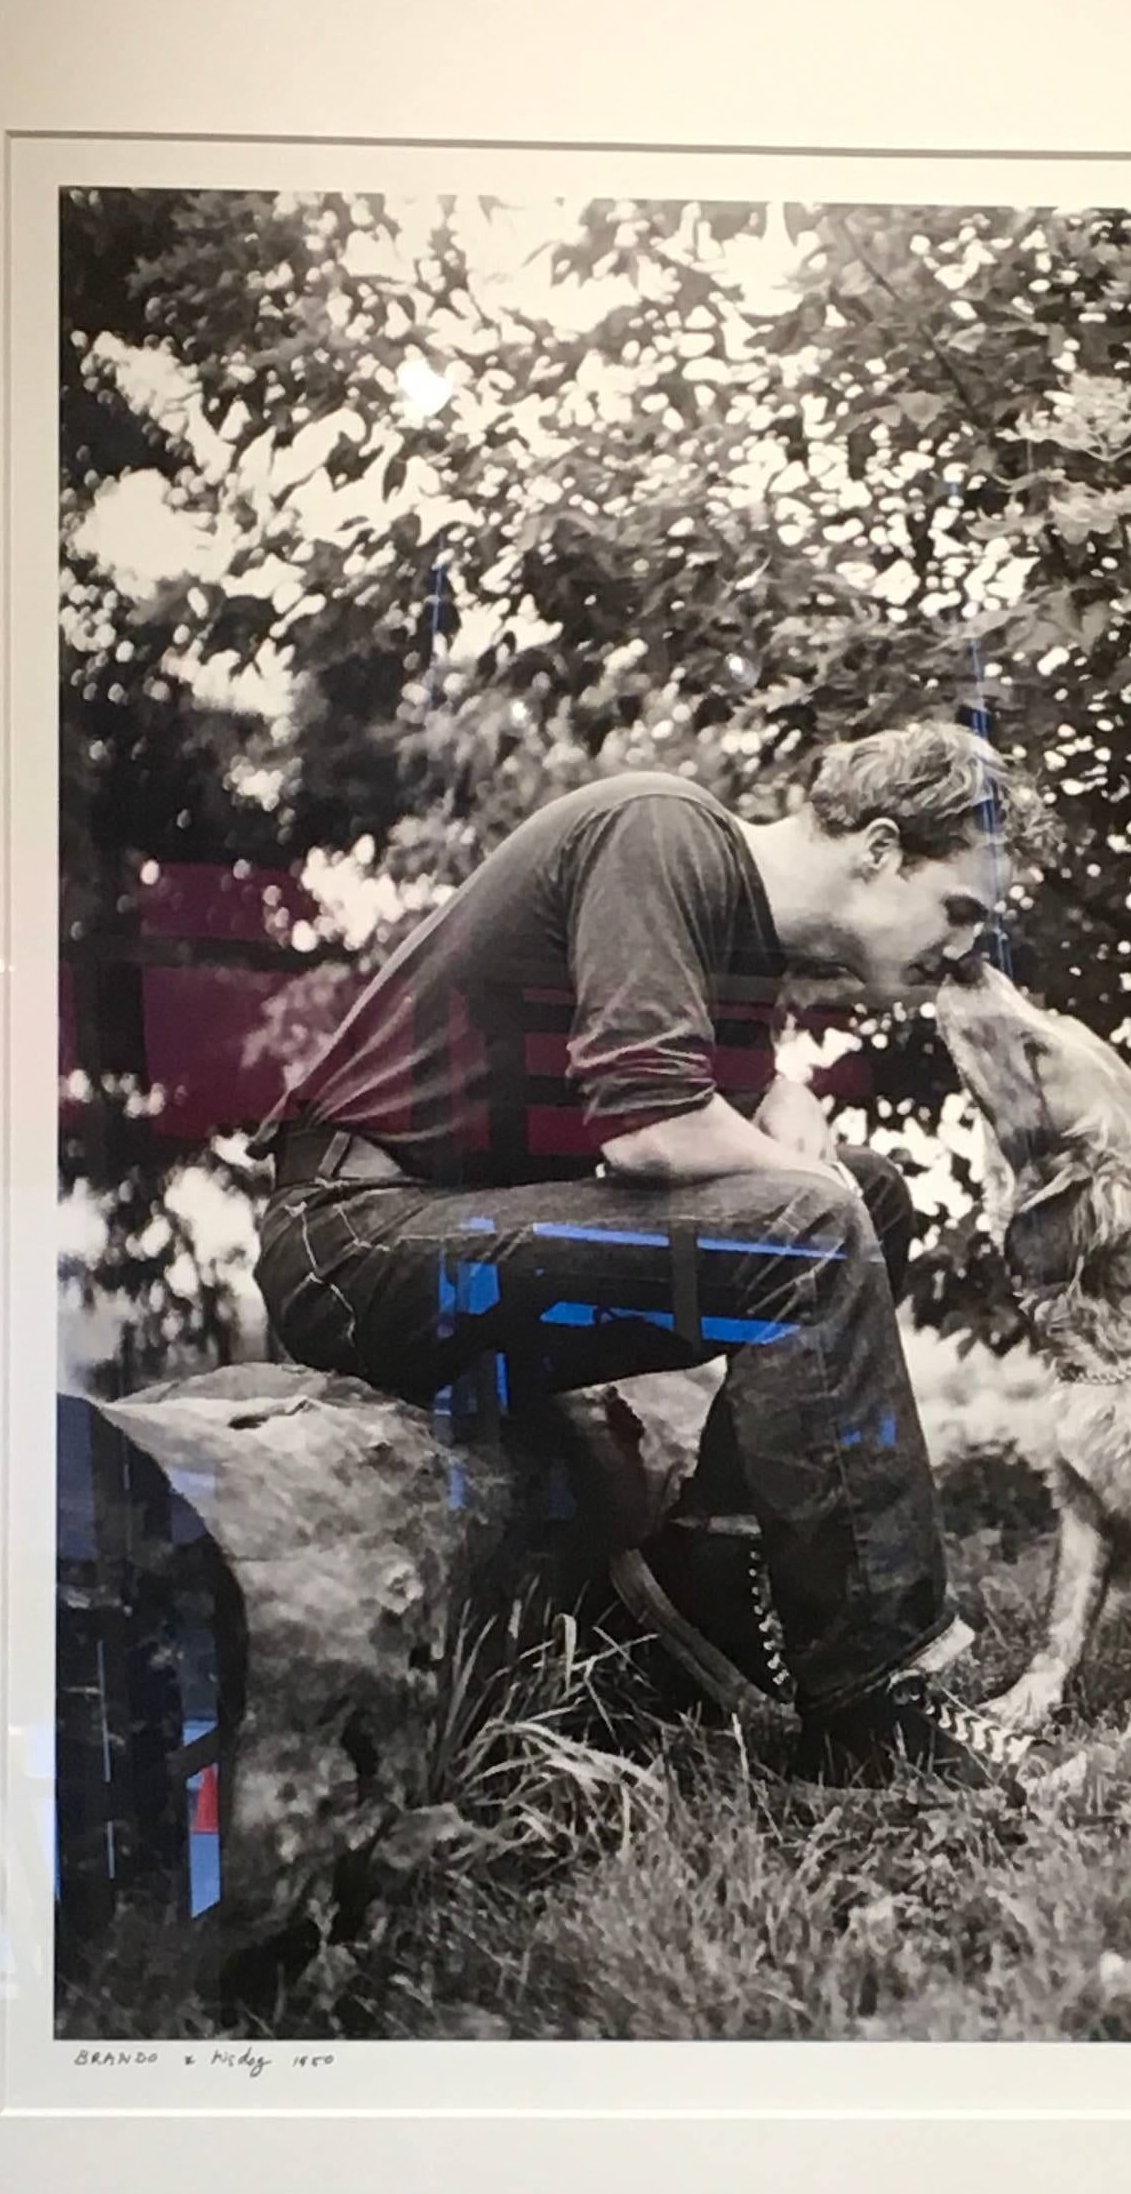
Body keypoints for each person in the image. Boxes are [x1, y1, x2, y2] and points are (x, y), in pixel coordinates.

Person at [256, 723, 1041, 1792]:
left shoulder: (743, 943)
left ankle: (709, 1565)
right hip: (355, 1239)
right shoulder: (660, 832)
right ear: (879, 848)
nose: (960, 952)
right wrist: (796, 1169)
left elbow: (711, 1126)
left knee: (871, 1197)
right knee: (818, 1221)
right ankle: (872, 1702)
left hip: (453, 1236)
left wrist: (785, 1104)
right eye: (960, 910)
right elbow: (653, 1127)